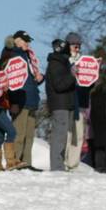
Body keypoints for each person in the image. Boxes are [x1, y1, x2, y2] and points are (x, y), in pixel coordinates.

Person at [8, 30, 44, 170]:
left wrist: (41, 78)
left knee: (29, 135)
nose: (28, 43)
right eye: (25, 40)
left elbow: (30, 79)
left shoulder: (29, 57)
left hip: (32, 99)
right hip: (20, 100)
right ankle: (15, 161)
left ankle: (27, 162)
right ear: (17, 40)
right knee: (18, 133)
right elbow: (11, 81)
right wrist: (14, 102)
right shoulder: (13, 56)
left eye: (28, 41)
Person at [46, 39, 77, 171]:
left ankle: (59, 165)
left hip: (65, 103)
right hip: (60, 104)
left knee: (63, 136)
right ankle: (56, 167)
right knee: (59, 136)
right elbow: (59, 85)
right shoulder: (56, 64)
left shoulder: (62, 63)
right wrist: (72, 75)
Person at [64, 32, 90, 170]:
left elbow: (90, 82)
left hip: (81, 101)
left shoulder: (85, 61)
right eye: (74, 45)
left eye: (79, 45)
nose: (77, 47)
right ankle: (64, 160)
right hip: (67, 102)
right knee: (67, 133)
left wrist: (94, 72)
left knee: (79, 134)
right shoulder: (63, 59)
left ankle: (73, 163)